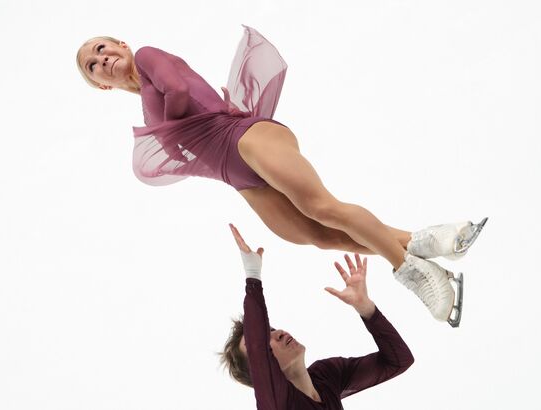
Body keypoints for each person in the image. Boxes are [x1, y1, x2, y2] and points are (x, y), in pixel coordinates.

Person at [76, 26, 488, 325]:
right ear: (100, 87)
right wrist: (172, 133)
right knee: (315, 235)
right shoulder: (146, 110)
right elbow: (178, 146)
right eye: (93, 67)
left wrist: (171, 131)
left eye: (101, 49)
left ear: (120, 44)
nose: (102, 60)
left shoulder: (147, 56)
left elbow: (179, 94)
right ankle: (430, 242)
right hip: (234, 175)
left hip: (243, 138)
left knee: (323, 208)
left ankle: (413, 273)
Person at [220, 224, 414, 409]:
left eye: (270, 329)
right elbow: (257, 347)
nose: (277, 333)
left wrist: (366, 309)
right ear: (259, 371)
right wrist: (252, 274)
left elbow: (397, 361)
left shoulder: (326, 375)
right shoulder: (276, 403)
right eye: (264, 337)